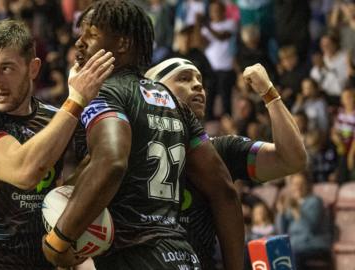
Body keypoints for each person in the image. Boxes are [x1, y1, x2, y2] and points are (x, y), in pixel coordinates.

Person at [42, 1, 244, 270]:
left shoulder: (104, 93)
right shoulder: (175, 104)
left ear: (123, 43)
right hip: (182, 257)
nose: (79, 44)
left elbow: (111, 162)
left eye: (90, 35)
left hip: (133, 257)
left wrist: (58, 240)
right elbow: (225, 192)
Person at [0, 19, 114, 269]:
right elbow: (23, 171)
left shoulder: (55, 117)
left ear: (33, 68)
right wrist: (76, 100)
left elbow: (97, 166)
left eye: (6, 68)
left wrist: (66, 245)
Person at [145, 58, 306, 269]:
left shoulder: (222, 149)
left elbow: (292, 160)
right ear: (155, 92)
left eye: (199, 79)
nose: (197, 85)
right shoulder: (131, 148)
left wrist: (269, 94)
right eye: (184, 78)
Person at [276, 172, 331, 270]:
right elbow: (281, 231)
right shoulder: (292, 204)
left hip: (314, 245)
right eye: (295, 184)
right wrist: (281, 213)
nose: (298, 187)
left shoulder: (315, 201)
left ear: (308, 185)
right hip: (295, 246)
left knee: (292, 255)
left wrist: (296, 210)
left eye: (301, 184)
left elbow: (310, 227)